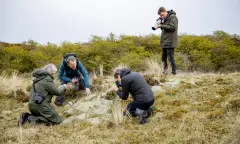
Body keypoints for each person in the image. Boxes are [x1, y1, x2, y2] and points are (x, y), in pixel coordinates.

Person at [156, 7, 178, 75]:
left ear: (165, 11)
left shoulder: (173, 17)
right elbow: (164, 30)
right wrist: (160, 25)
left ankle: (174, 72)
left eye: (162, 15)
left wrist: (162, 26)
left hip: (170, 41)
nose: (162, 16)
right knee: (163, 58)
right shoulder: (164, 19)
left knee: (170, 57)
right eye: (160, 16)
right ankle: (165, 72)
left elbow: (172, 28)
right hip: (165, 42)